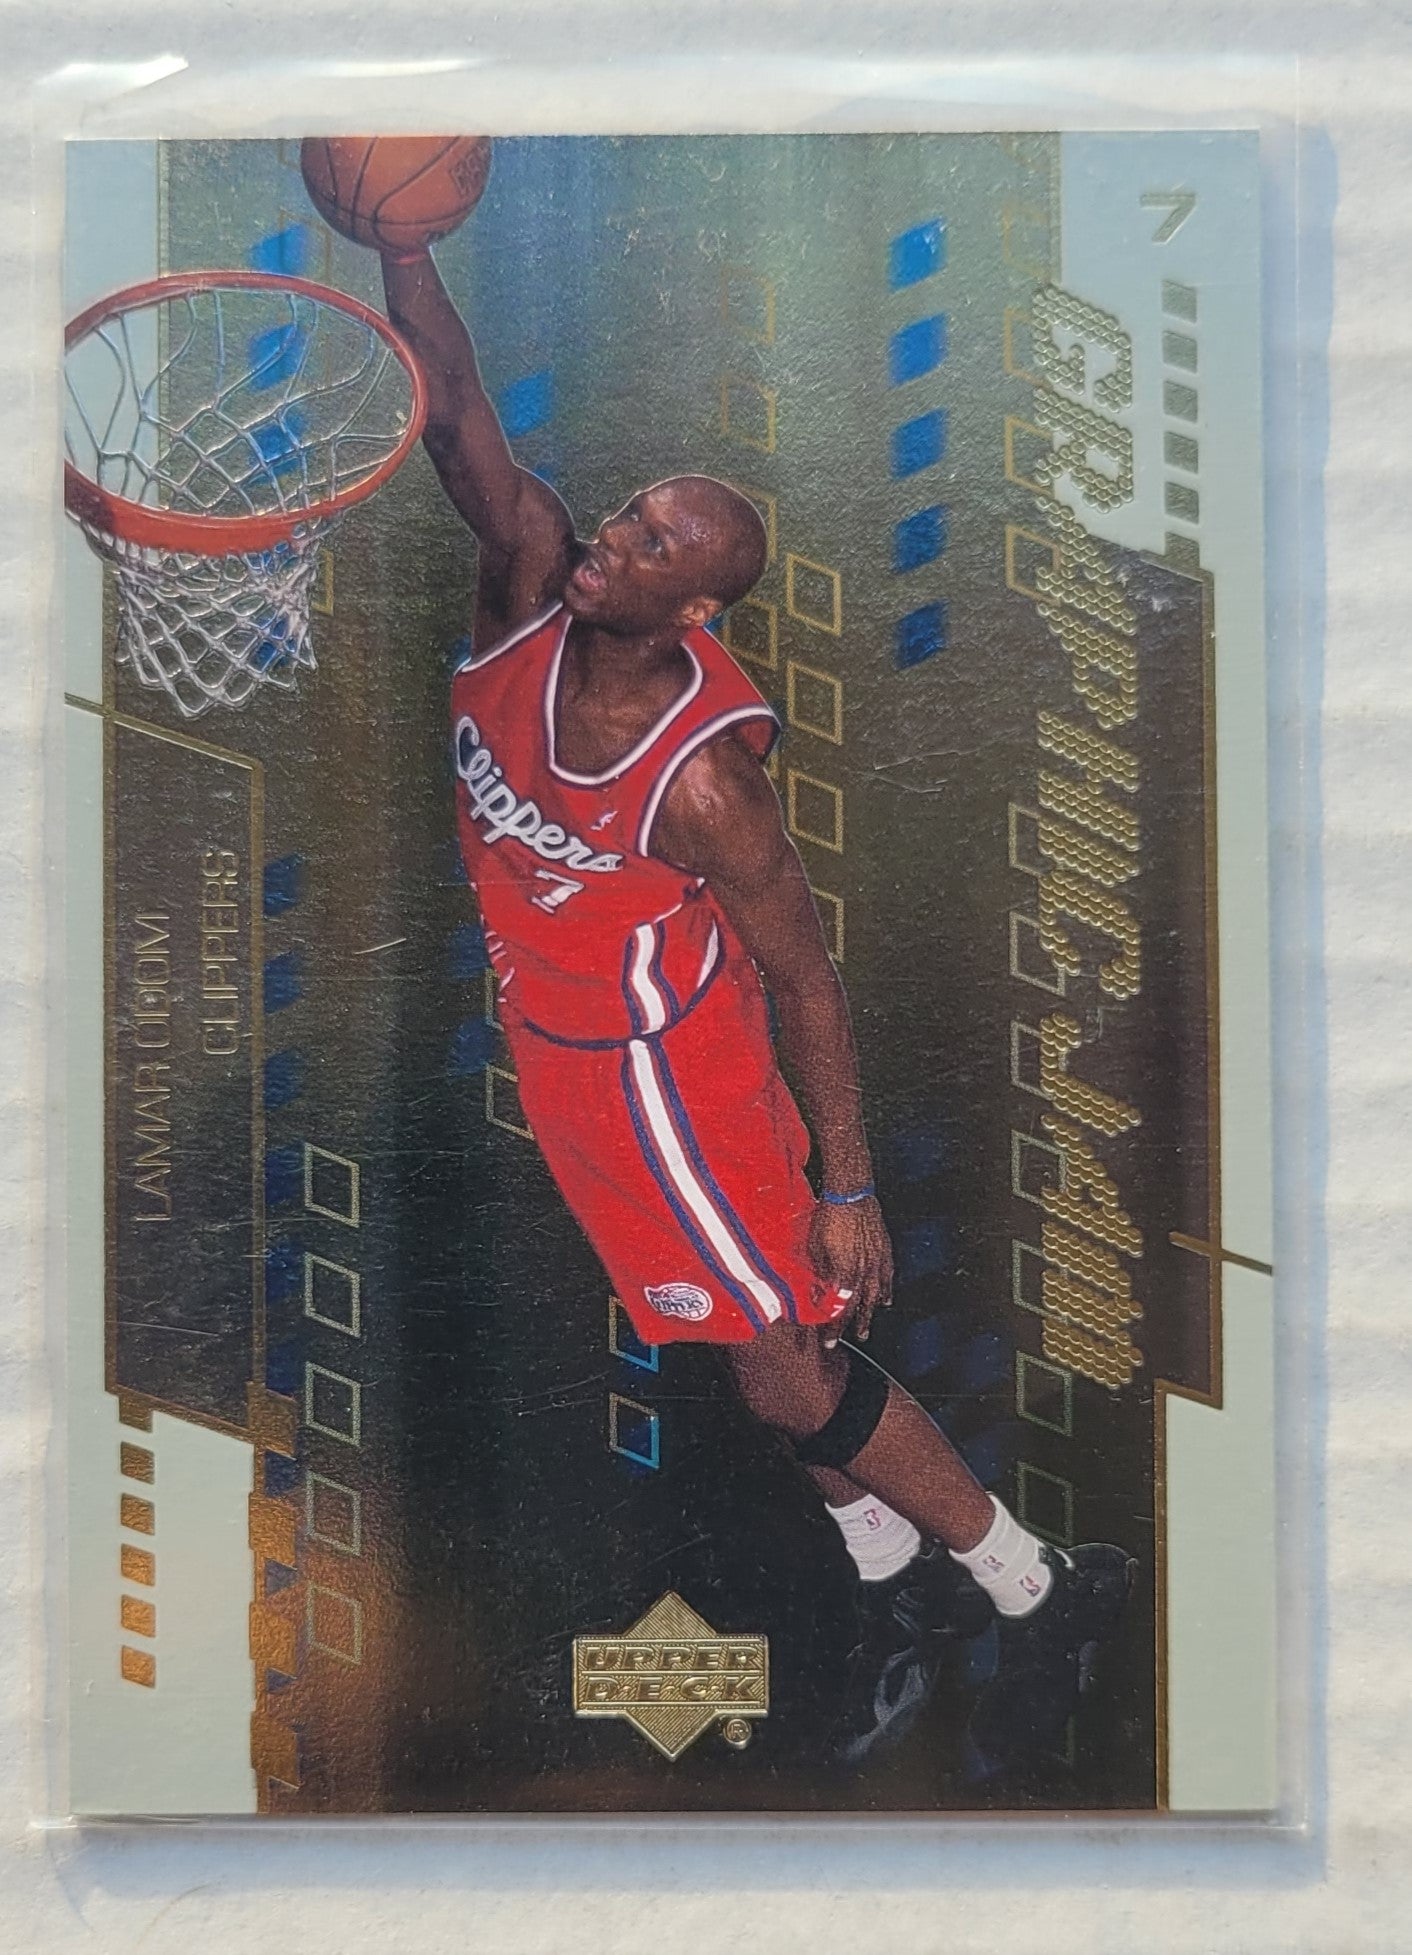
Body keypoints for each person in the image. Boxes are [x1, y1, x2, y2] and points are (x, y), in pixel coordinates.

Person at [377, 244, 1133, 1773]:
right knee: (739, 1347)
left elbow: (804, 973)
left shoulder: (704, 781)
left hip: (671, 1082)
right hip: (564, 1060)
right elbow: (452, 407)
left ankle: (1039, 1587)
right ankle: (893, 1581)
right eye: (629, 512)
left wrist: (848, 1188)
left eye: (654, 540)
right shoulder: (525, 585)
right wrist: (403, 242)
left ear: (699, 603)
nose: (615, 536)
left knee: (786, 1361)